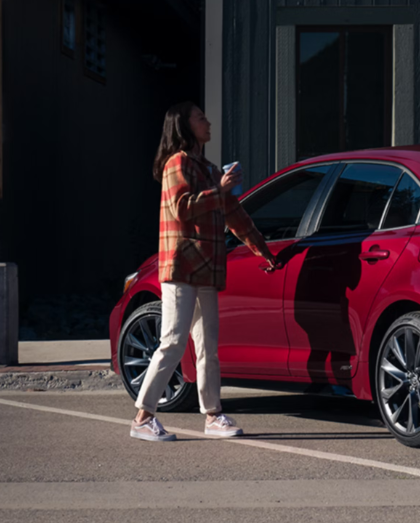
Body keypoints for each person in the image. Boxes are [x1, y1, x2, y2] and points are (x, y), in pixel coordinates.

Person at [130, 101, 279, 442]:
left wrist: (264, 250)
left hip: (207, 271)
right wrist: (221, 190)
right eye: (200, 118)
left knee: (207, 346)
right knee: (172, 342)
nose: (208, 122)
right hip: (182, 267)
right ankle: (142, 417)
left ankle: (213, 416)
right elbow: (181, 208)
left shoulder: (211, 169)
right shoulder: (177, 163)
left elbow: (236, 216)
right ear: (184, 126)